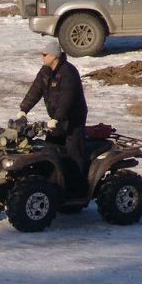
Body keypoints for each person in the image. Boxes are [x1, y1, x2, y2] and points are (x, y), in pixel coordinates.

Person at [14, 39, 88, 191]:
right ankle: (53, 186)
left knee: (74, 154)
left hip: (73, 121)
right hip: (56, 120)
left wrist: (57, 118)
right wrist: (23, 110)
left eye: (45, 54)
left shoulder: (68, 72)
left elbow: (67, 100)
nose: (42, 57)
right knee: (49, 152)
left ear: (54, 56)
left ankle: (77, 190)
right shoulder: (45, 71)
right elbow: (35, 90)